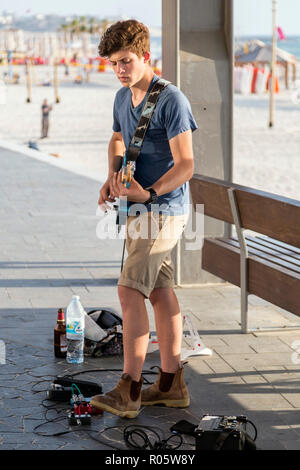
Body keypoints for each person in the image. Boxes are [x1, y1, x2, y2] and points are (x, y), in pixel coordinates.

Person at [90, 19, 198, 419]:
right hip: (138, 207)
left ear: (146, 56)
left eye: (126, 61)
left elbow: (187, 164)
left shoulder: (172, 100)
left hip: (163, 209)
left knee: (128, 290)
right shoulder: (122, 97)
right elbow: (118, 138)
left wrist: (150, 193)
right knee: (157, 291)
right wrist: (111, 176)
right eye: (113, 63)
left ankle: (129, 388)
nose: (119, 69)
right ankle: (171, 385)